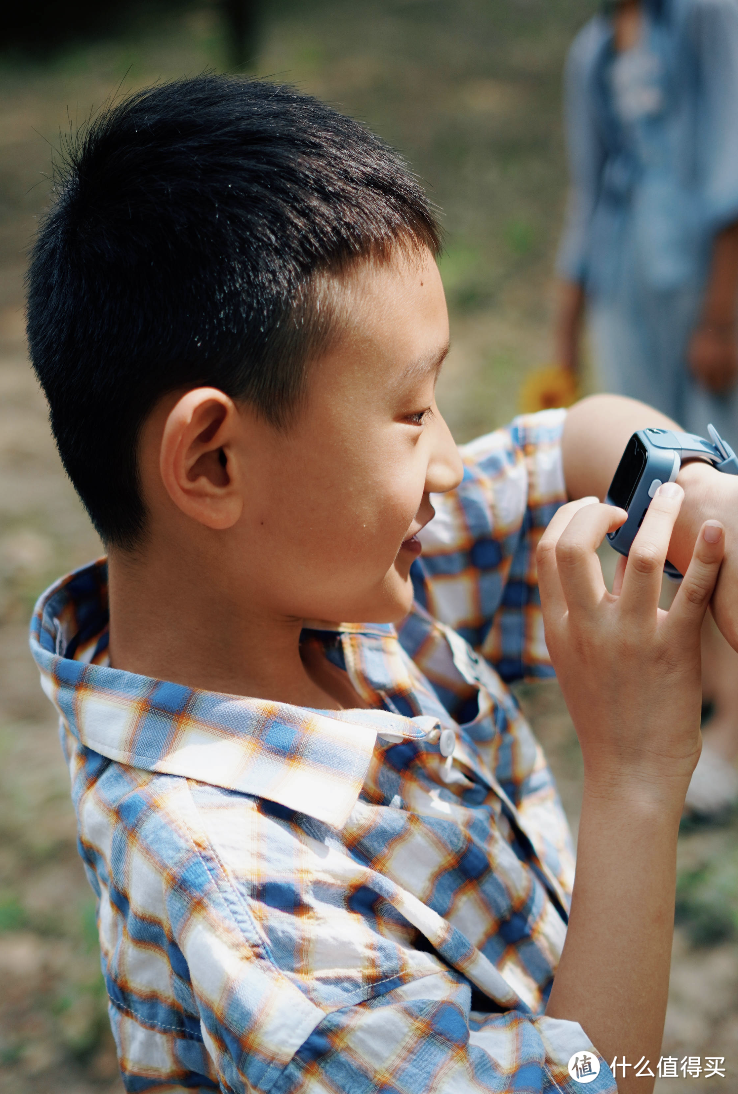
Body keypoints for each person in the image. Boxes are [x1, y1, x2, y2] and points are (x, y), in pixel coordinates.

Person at [26, 75, 738, 1093]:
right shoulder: (247, 903)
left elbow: (566, 448)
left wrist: (707, 498)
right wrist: (632, 779)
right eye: (412, 413)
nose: (449, 462)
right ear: (214, 462)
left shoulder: (309, 593)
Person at [556, 0, 738, 814]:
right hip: (630, 292)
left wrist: (722, 314)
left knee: (718, 489)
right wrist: (564, 339)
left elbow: (731, 169)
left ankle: (735, 728)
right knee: (657, 494)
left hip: (705, 289)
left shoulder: (709, 18)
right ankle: (700, 683)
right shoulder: (592, 51)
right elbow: (586, 200)